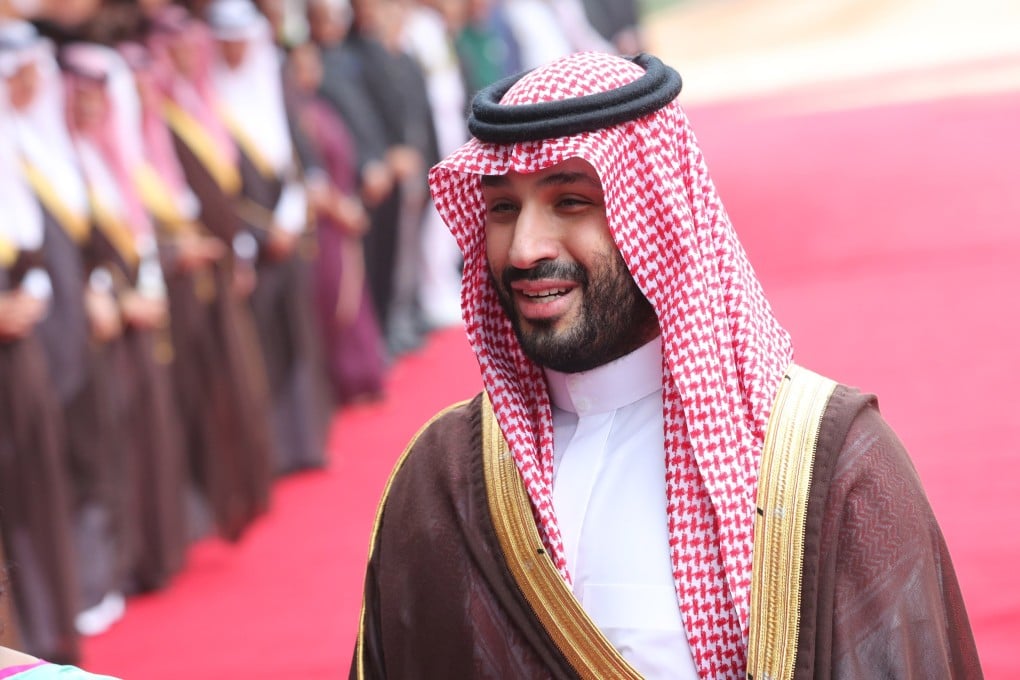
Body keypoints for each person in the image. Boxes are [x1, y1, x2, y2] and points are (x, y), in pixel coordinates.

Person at [350, 52, 982, 678]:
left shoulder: (831, 464)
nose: (523, 249)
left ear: (657, 217)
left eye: (571, 201)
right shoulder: (439, 479)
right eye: (503, 208)